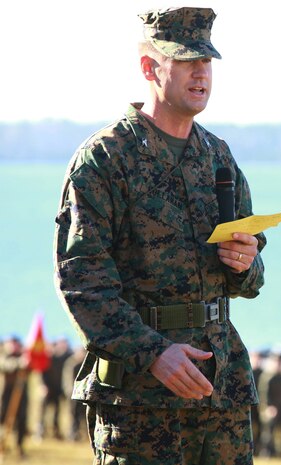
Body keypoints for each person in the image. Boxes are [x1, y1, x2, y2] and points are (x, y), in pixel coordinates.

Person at [53, 7, 266, 465]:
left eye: (206, 62)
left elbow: (249, 280)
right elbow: (82, 283)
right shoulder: (105, 159)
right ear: (150, 67)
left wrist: (246, 264)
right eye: (186, 61)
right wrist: (153, 353)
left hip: (219, 390)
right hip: (140, 402)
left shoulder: (218, 157)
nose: (200, 73)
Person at [36, 336, 72, 440]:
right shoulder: (46, 359)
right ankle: (40, 431)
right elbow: (41, 373)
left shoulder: (62, 359)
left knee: (57, 411)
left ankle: (56, 431)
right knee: (43, 412)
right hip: (47, 389)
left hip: (57, 389)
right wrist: (43, 385)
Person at [0, 336, 29, 458]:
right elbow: (6, 366)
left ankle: (19, 447)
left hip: (21, 395)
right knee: (3, 421)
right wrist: (19, 363)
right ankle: (2, 446)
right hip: (5, 395)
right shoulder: (4, 356)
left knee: (21, 422)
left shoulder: (24, 356)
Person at [258, 355, 281, 457]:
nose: (278, 365)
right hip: (270, 408)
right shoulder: (267, 377)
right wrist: (268, 407)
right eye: (277, 362)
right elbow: (263, 394)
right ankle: (265, 451)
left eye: (280, 363)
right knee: (268, 431)